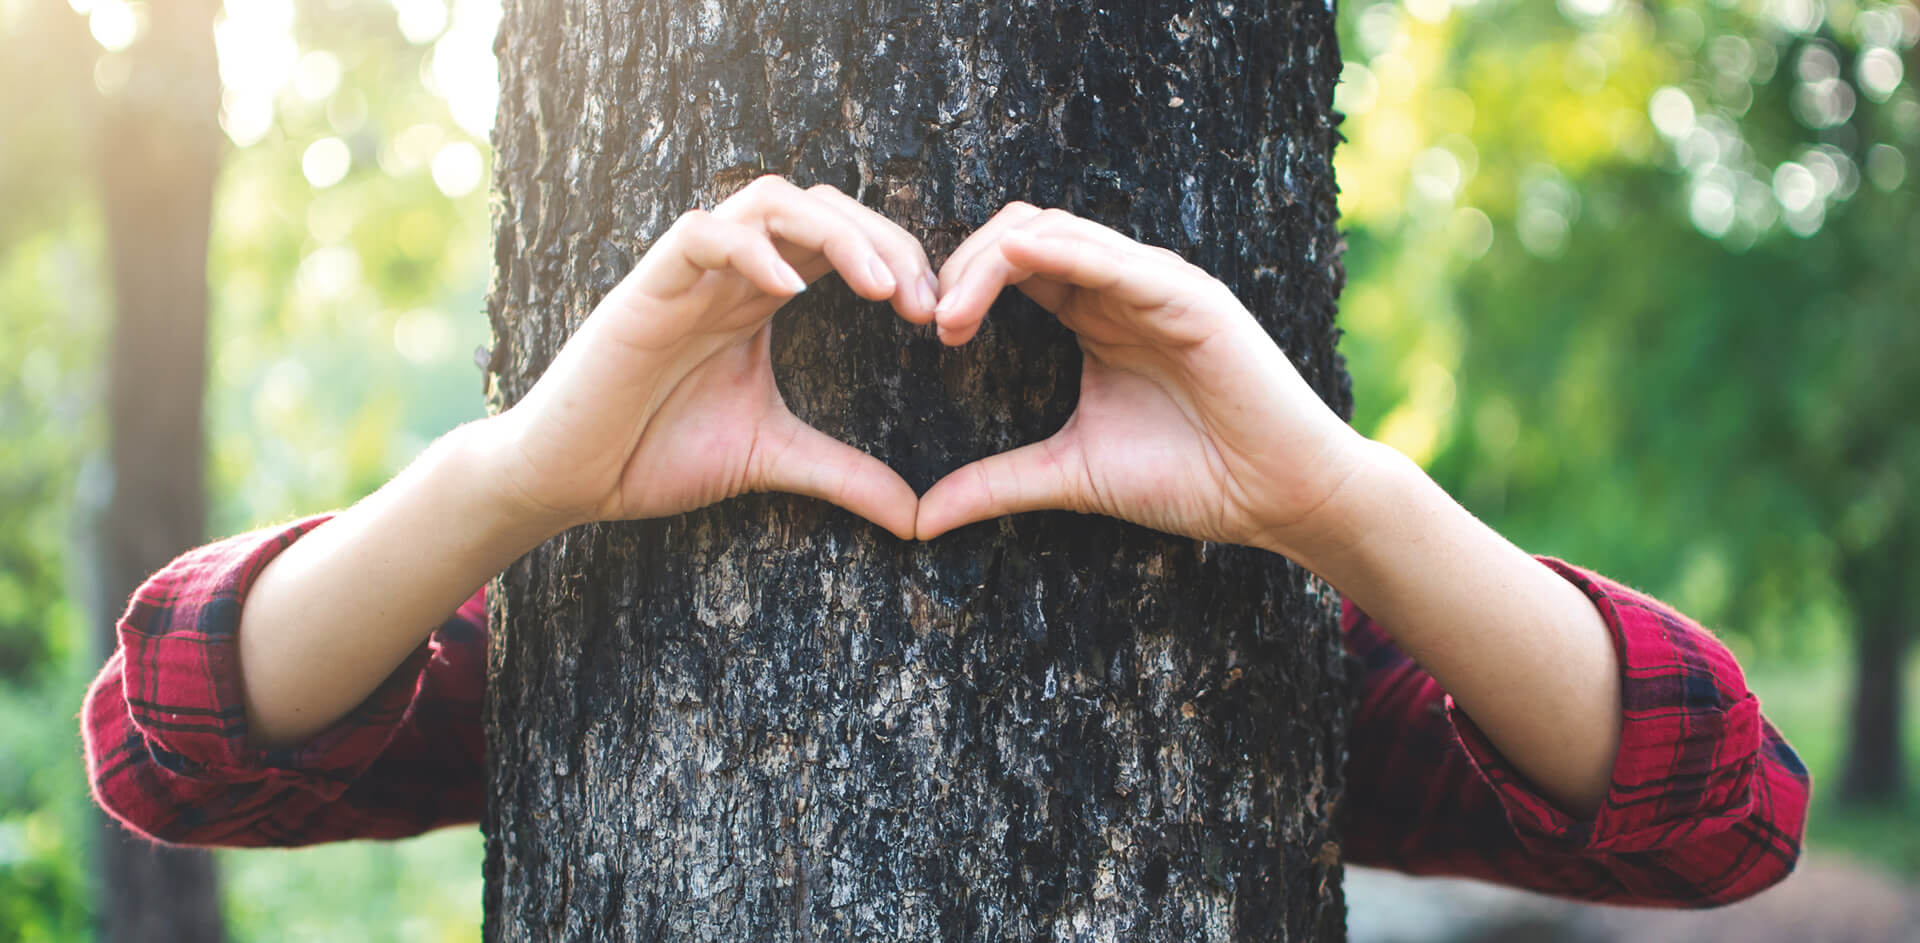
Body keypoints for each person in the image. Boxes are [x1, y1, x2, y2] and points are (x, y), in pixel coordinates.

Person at [83, 177, 1808, 906]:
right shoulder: (598, 642)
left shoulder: (1267, 667)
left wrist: (1337, 500)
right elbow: (175, 739)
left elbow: (1719, 811)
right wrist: (521, 476)